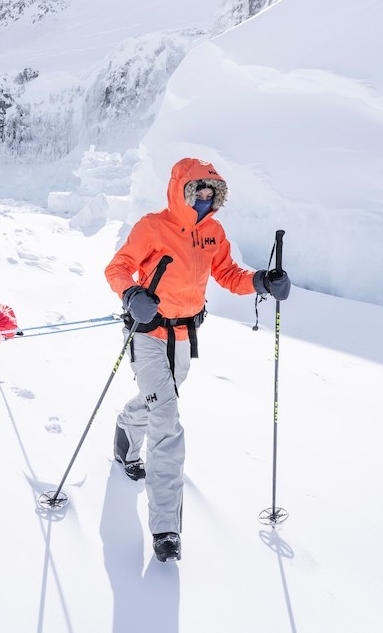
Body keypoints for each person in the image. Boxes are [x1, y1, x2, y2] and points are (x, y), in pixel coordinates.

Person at [104, 157, 290, 562]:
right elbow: (118, 267)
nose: (204, 199)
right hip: (147, 334)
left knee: (159, 400)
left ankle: (125, 430)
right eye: (197, 191)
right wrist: (132, 295)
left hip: (185, 335)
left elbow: (227, 274)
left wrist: (261, 281)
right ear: (180, 190)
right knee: (167, 422)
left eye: (211, 193)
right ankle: (166, 527)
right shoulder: (152, 226)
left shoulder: (213, 232)